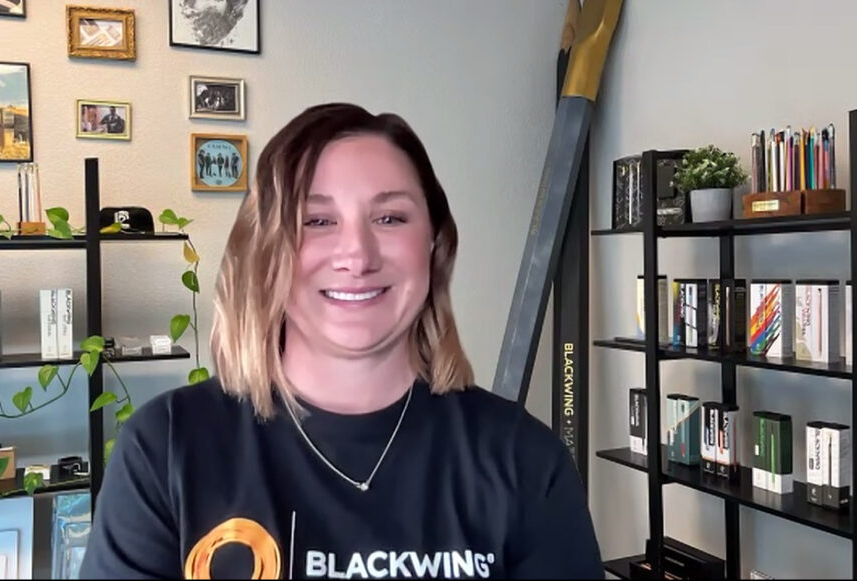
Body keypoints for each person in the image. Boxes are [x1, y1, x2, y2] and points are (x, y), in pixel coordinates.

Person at [79, 103, 603, 579]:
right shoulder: (166, 449)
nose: (358, 254)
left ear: (435, 244)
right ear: (265, 251)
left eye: (390, 217)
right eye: (318, 220)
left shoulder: (525, 460)